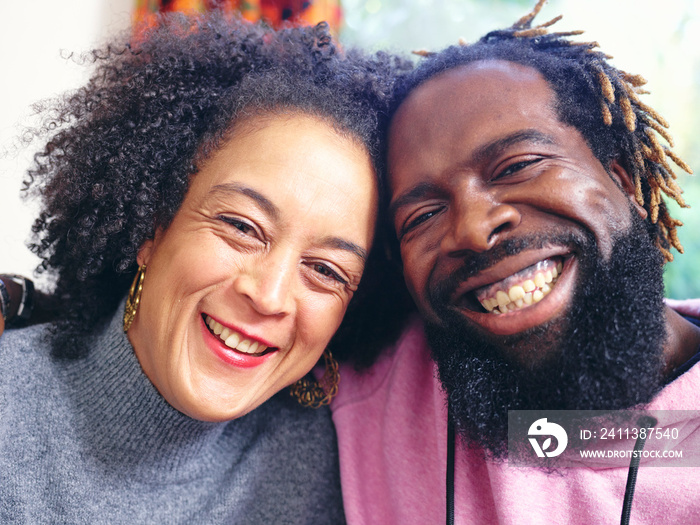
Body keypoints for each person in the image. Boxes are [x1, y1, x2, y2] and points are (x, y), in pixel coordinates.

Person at [0, 12, 410, 523]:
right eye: (242, 227)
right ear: (152, 226)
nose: (269, 295)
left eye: (326, 270)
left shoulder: (339, 473)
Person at [331, 1, 700, 523]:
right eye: (422, 215)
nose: (473, 229)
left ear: (622, 180)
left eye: (518, 166)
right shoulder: (368, 391)